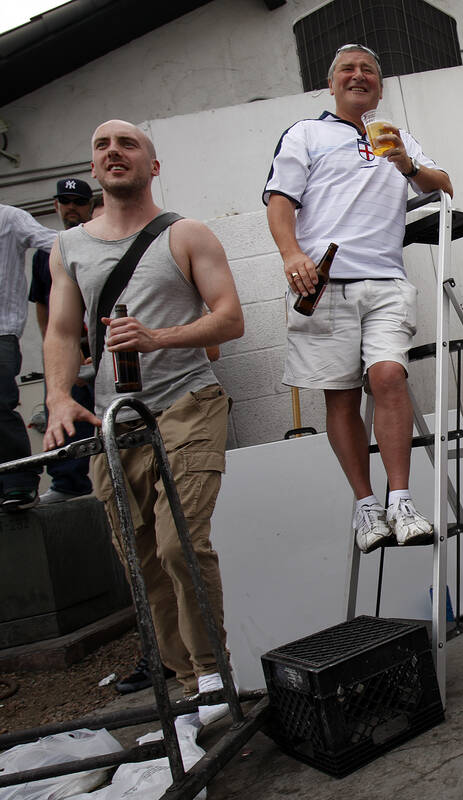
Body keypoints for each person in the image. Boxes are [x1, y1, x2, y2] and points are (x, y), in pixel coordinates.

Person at [43, 119, 245, 727]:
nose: (113, 152)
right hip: (116, 420)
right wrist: (57, 397)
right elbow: (59, 331)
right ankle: (189, 687)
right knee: (140, 557)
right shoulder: (68, 248)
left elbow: (230, 319)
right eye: (101, 144)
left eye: (127, 143)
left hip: (188, 402)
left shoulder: (186, 234)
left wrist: (160, 337)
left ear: (151, 166)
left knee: (178, 545)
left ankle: (212, 673)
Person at [264, 43, 453, 553]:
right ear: (331, 85)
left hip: (387, 281)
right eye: (347, 69)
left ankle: (401, 500)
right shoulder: (305, 133)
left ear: (380, 85)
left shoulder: (398, 137)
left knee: (389, 375)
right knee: (341, 396)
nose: (358, 75)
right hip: (322, 285)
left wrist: (407, 164)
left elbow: (443, 186)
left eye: (369, 69)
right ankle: (367, 507)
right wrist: (290, 255)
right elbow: (280, 201)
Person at [28, 178, 97, 504]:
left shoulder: (101, 241)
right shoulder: (46, 253)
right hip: (69, 343)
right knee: (63, 406)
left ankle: (121, 474)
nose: (71, 207)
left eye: (77, 201)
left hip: (106, 344)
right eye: (64, 201)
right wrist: (53, 351)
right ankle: (69, 482)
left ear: (89, 205)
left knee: (115, 410)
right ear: (56, 205)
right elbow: (44, 306)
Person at [0, 203, 58, 512]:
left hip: (1, 332)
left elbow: (51, 240)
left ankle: (19, 481)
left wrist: (101, 237)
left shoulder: (8, 217)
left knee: (0, 403)